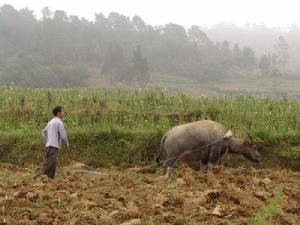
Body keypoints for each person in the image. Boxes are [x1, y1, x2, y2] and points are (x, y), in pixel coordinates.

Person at [34, 106, 69, 179]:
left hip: (48, 146)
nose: (64, 113)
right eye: (63, 112)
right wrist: (66, 142)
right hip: (54, 146)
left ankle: (50, 179)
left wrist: (47, 141)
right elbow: (63, 134)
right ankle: (39, 172)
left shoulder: (51, 122)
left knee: (53, 164)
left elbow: (43, 132)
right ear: (58, 113)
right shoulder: (59, 122)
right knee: (51, 163)